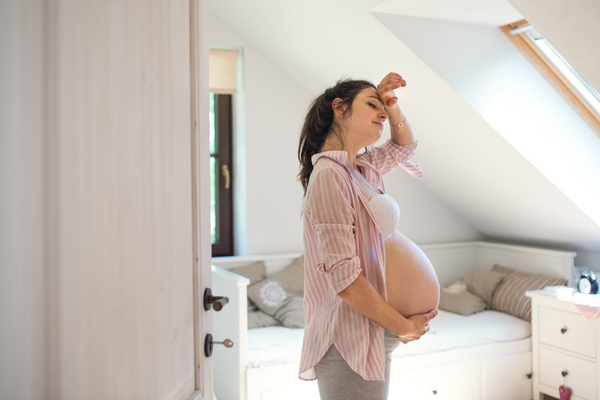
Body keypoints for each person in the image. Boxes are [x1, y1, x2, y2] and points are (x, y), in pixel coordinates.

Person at [297, 73, 440, 400]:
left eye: (383, 109)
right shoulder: (330, 175)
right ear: (340, 108)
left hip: (370, 330)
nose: (382, 114)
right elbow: (344, 280)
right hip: (349, 336)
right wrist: (404, 327)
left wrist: (392, 106)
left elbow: (405, 147)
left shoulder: (358, 169)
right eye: (373, 105)